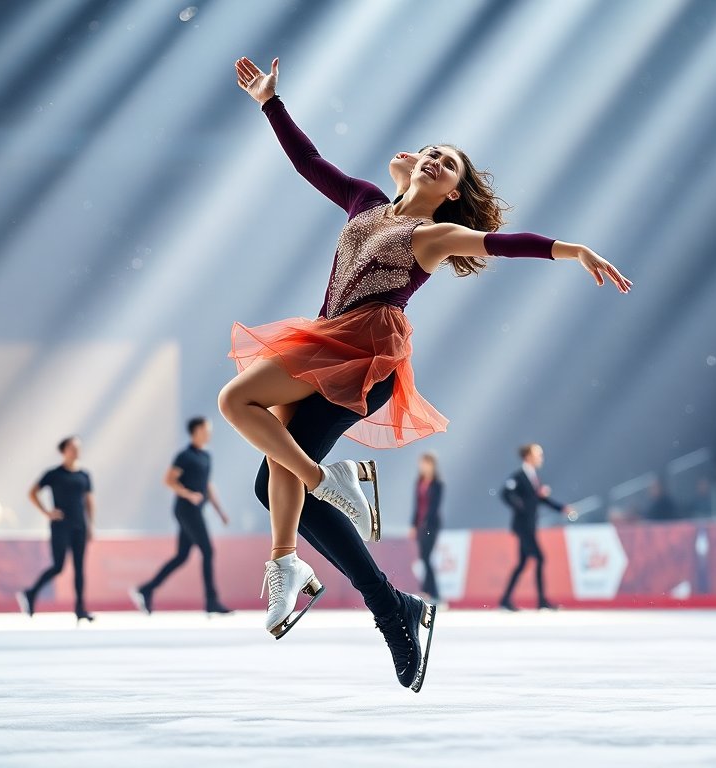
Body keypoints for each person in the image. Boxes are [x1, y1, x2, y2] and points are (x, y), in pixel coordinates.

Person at [222, 57, 629, 692]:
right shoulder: (365, 201)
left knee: (237, 403)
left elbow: (504, 243)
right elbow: (309, 161)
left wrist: (571, 249)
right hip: (323, 342)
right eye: (432, 153)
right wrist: (271, 102)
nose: (436, 161)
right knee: (268, 478)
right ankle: (369, 596)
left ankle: (326, 505)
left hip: (366, 357)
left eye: (450, 165)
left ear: (454, 194)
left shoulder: (435, 235)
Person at [132, 417, 232, 615]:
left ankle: (146, 589)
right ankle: (211, 601)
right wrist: (188, 494)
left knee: (182, 556)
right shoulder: (184, 456)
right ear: (196, 431)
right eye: (206, 429)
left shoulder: (206, 456)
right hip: (186, 509)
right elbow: (168, 480)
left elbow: (207, 485)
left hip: (196, 510)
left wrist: (220, 511)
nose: (209, 433)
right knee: (207, 551)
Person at [17, 436, 95, 622]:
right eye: (72, 448)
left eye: (78, 448)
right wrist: (46, 512)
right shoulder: (54, 474)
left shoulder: (84, 475)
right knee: (59, 566)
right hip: (61, 526)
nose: (76, 451)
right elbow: (32, 492)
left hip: (79, 526)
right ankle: (31, 593)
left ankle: (80, 609)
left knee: (79, 567)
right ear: (63, 451)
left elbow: (89, 501)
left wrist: (90, 524)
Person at [499, 443, 574, 611]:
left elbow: (540, 499)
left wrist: (562, 508)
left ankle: (505, 600)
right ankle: (541, 601)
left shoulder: (533, 477)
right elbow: (505, 493)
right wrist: (521, 507)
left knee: (522, 564)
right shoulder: (519, 476)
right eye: (537, 454)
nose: (541, 457)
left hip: (529, 525)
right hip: (523, 526)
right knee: (540, 558)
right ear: (528, 456)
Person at [410, 452, 444, 603]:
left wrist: (425, 522)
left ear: (432, 465)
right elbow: (416, 506)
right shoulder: (419, 482)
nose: (423, 466)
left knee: (426, 557)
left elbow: (434, 506)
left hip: (431, 525)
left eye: (426, 463)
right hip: (420, 526)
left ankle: (433, 593)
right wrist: (413, 525)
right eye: (422, 463)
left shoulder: (438, 483)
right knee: (424, 558)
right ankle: (427, 591)